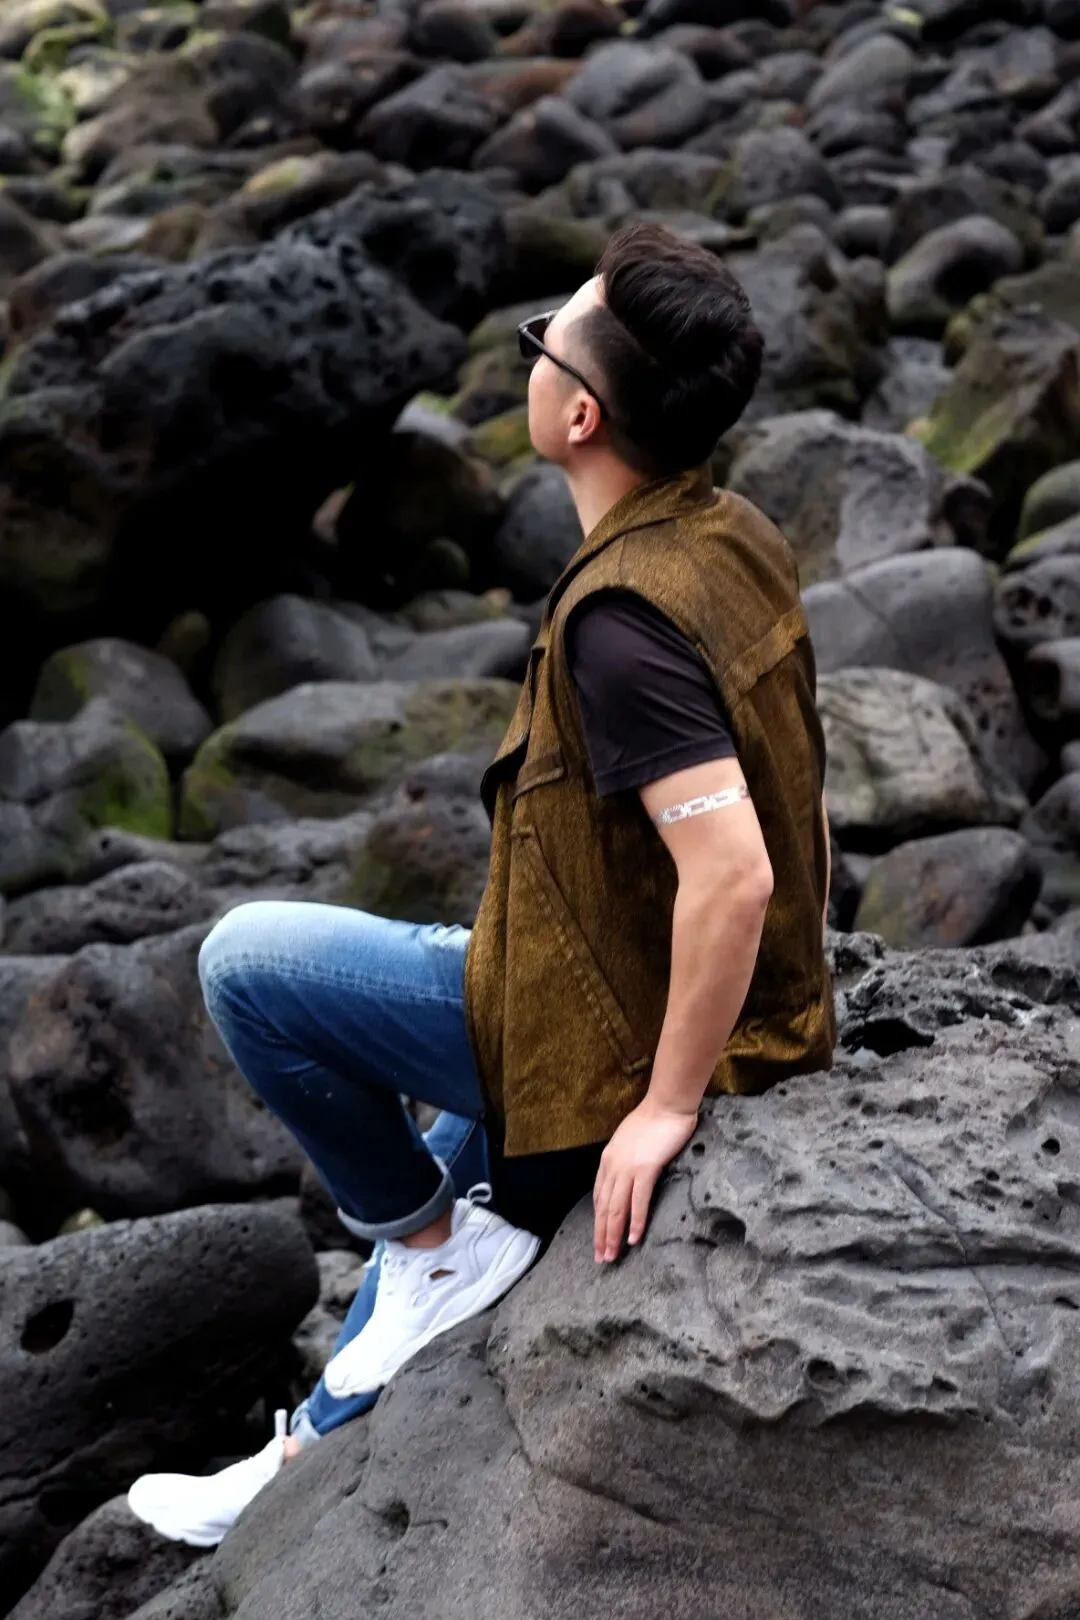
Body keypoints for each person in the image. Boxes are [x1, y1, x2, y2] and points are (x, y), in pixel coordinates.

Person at [128, 221, 835, 1548]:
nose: (530, 357)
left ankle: (419, 1257)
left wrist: (664, 1109)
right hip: (628, 969)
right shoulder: (728, 529)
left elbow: (733, 873)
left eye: (541, 341)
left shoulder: (624, 626)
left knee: (250, 966)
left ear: (579, 414)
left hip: (621, 1028)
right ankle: (313, 1441)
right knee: (452, 1195)